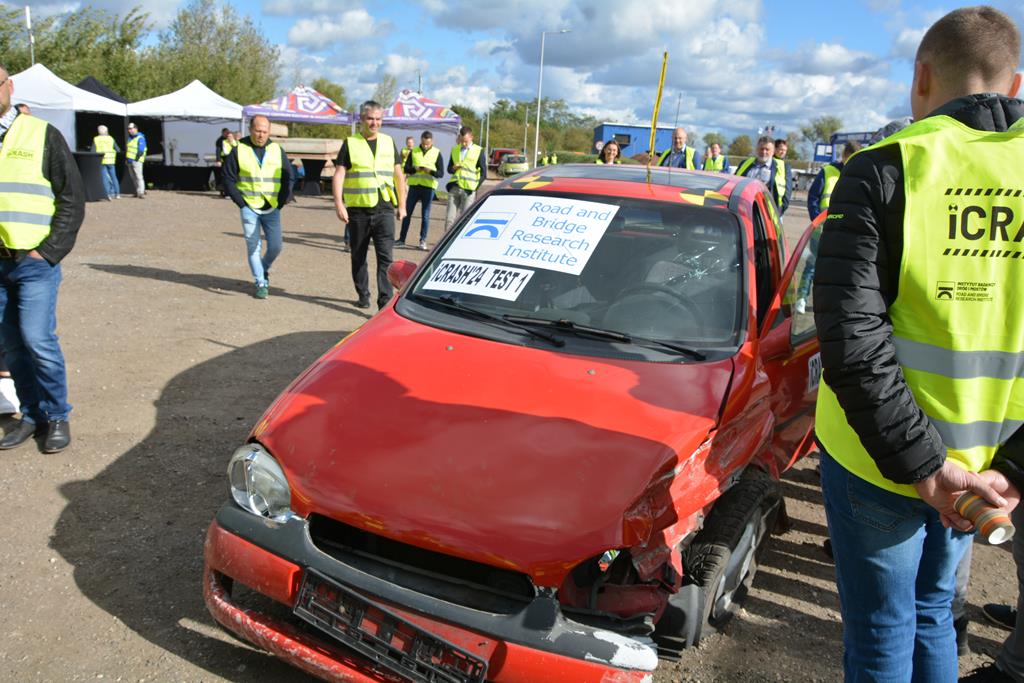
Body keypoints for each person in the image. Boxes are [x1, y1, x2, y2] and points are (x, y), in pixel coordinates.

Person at [812, 7, 1024, 681]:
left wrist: (923, 465)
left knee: (883, 628)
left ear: (921, 77)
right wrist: (1015, 470)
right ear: (1015, 84)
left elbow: (851, 335)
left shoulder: (885, 167)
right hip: (984, 465)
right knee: (933, 611)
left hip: (876, 461)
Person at [0, 64, 85, 453]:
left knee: (37, 340)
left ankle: (57, 415)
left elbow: (71, 197)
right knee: (12, 346)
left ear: (9, 86)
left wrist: (47, 251)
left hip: (34, 263)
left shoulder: (41, 134)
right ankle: (31, 415)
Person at [332, 100, 406, 310]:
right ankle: (363, 294)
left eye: (378, 119)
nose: (374, 123)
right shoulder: (350, 143)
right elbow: (339, 174)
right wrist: (339, 204)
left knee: (386, 259)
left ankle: (384, 303)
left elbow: (398, 175)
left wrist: (402, 205)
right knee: (358, 256)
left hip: (384, 209)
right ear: (362, 119)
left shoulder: (388, 142)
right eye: (370, 119)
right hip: (358, 211)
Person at [222, 115, 292, 300]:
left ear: (269, 132)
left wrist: (283, 200)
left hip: (272, 207)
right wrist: (241, 202)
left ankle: (263, 267)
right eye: (258, 131)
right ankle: (261, 282)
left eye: (265, 131)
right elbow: (228, 177)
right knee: (253, 246)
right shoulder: (239, 149)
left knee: (276, 246)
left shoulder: (276, 150)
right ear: (250, 130)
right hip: (249, 206)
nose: (261, 135)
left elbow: (288, 176)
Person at [398, 130, 443, 250]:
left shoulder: (437, 153)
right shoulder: (414, 151)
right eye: (423, 144)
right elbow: (406, 169)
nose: (425, 146)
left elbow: (441, 173)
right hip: (414, 186)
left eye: (427, 144)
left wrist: (430, 171)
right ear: (421, 141)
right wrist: (415, 169)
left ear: (432, 142)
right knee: (407, 213)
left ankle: (422, 241)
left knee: (425, 215)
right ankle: (401, 239)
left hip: (428, 188)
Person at [444, 126, 485, 231]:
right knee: (449, 219)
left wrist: (475, 187)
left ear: (471, 137)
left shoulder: (478, 150)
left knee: (464, 220)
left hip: (469, 190)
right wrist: (453, 168)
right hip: (454, 187)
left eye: (466, 141)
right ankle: (446, 240)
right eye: (462, 141)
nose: (463, 144)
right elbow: (449, 169)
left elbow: (484, 173)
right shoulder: (455, 149)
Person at [735, 136, 788, 214]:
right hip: (743, 208)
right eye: (761, 149)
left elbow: (786, 195)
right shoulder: (744, 163)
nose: (764, 152)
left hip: (767, 212)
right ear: (757, 149)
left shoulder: (782, 167)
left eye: (767, 149)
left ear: (773, 151)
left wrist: (778, 213)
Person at [806, 141, 859, 220]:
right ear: (844, 156)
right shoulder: (827, 171)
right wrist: (817, 220)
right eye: (850, 158)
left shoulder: (859, 176)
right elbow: (813, 197)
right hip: (825, 222)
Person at [91, 125, 120, 200]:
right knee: (114, 177)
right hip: (111, 160)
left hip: (102, 160)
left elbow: (93, 151)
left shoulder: (96, 139)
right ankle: (117, 193)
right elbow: (118, 150)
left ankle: (108, 194)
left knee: (105, 178)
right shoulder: (111, 138)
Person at [125, 122, 146, 199]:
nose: (129, 130)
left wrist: (136, 159)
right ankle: (137, 191)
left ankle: (141, 192)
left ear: (136, 129)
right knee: (133, 177)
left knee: (139, 177)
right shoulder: (130, 138)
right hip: (130, 161)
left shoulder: (140, 138)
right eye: (128, 129)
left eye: (131, 129)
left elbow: (141, 150)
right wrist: (127, 159)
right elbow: (129, 150)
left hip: (136, 161)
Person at [214, 128, 234, 197]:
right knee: (223, 176)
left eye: (228, 133)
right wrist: (218, 160)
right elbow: (218, 151)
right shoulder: (220, 140)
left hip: (230, 159)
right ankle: (222, 191)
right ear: (222, 133)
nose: (227, 134)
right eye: (226, 133)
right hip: (223, 159)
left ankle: (226, 191)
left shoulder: (230, 140)